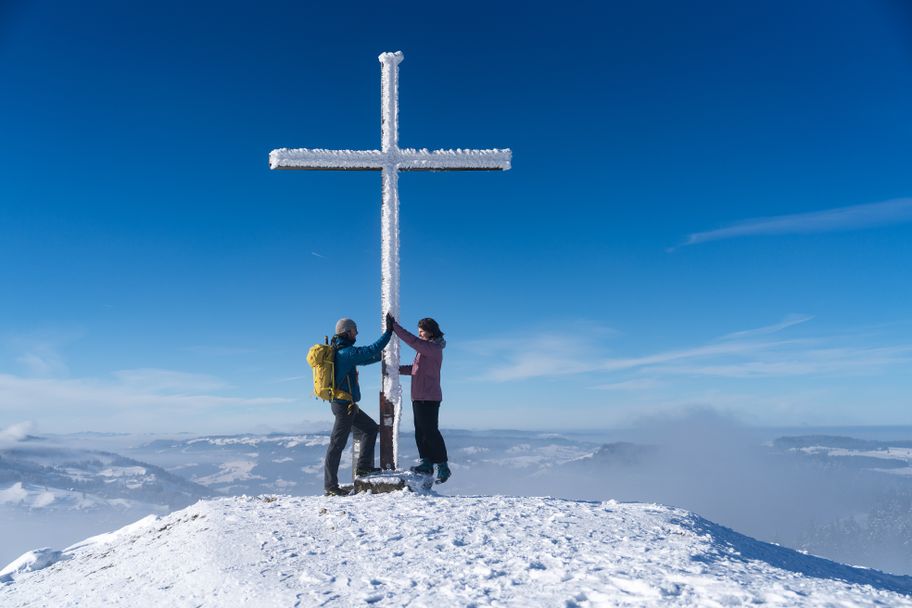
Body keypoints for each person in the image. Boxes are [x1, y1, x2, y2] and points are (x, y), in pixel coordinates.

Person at [323, 316, 393, 496]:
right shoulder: (345, 352)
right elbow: (368, 350)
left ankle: (363, 467)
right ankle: (330, 487)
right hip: (344, 407)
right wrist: (388, 333)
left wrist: (383, 356)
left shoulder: (343, 352)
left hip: (347, 405)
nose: (357, 334)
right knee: (336, 445)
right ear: (346, 332)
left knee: (370, 428)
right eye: (354, 331)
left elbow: (365, 357)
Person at [386, 312, 450, 484]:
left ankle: (443, 466)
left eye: (422, 331)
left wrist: (395, 327)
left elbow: (413, 341)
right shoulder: (426, 349)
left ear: (431, 331)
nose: (420, 333)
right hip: (419, 397)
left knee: (430, 432)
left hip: (429, 397)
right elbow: (416, 369)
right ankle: (426, 463)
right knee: (420, 432)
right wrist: (395, 369)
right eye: (419, 331)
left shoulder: (433, 348)